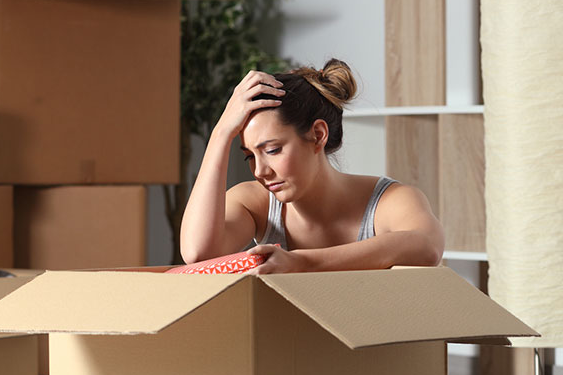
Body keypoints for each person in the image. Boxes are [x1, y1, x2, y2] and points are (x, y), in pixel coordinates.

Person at [179, 58, 444, 274]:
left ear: (318, 135)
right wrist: (220, 134)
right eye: (250, 156)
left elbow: (427, 246)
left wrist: (302, 263)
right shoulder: (256, 203)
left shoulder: (390, 201)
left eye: (272, 150)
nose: (260, 171)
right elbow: (198, 253)